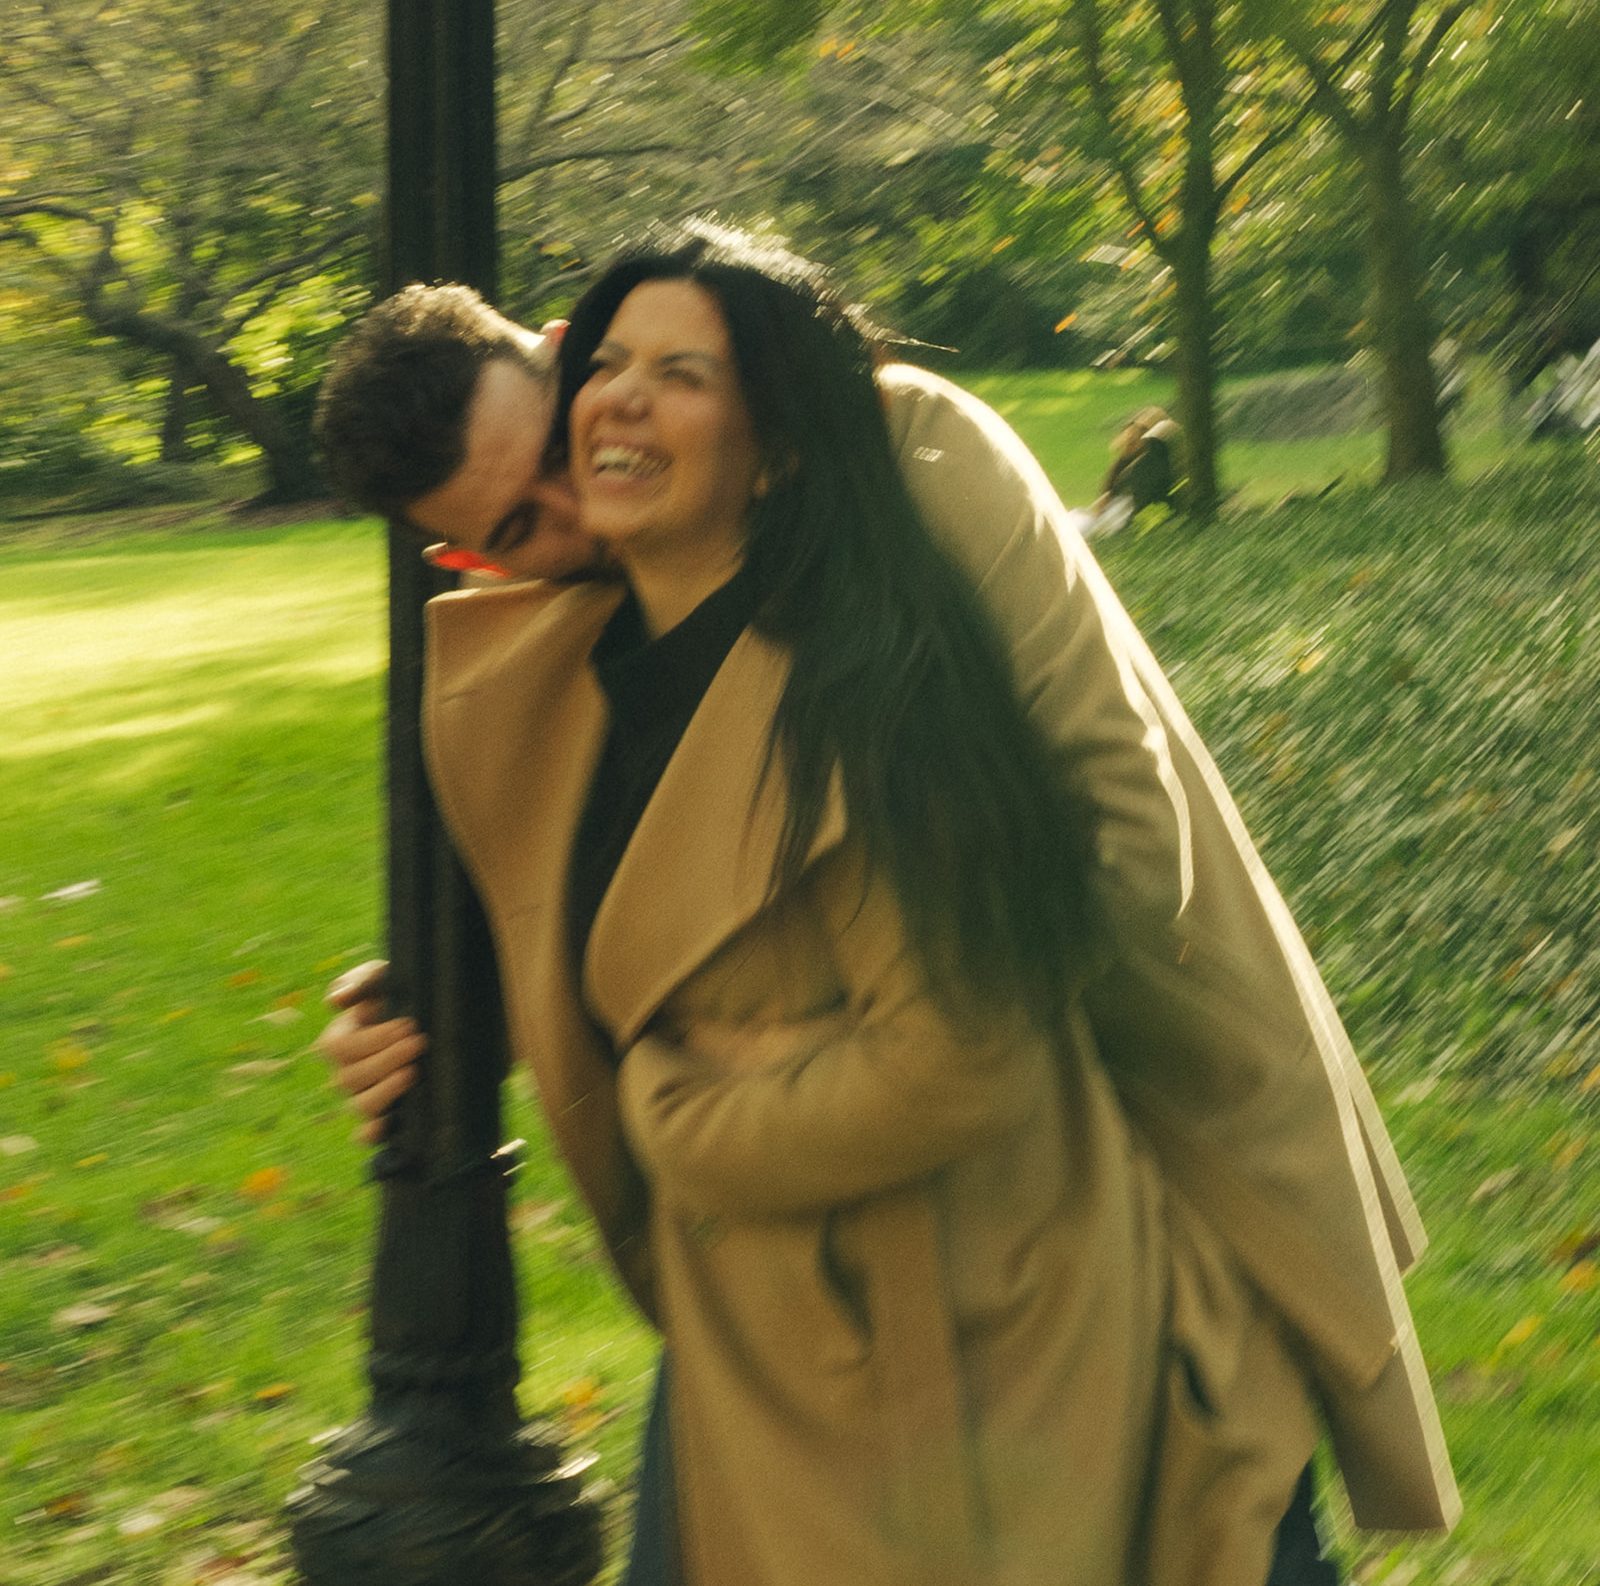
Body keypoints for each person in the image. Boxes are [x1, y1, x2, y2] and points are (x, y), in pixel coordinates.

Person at [313, 228, 1457, 1583]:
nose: (577, 507)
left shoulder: (900, 453)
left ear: (567, 363)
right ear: (463, 562)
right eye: (515, 528)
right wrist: (442, 1016)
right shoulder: (556, 639)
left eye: (559, 449)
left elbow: (1124, 842)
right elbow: (651, 932)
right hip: (790, 1305)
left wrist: (942, 1067)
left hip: (1117, 1141)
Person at [1082, 407, 1182, 537]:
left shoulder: (1153, 459)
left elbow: (1142, 495)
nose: (1128, 442)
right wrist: (1106, 498)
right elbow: (1110, 485)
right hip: (1121, 507)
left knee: (1105, 518)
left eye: (1135, 438)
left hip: (1134, 509)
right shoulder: (1127, 461)